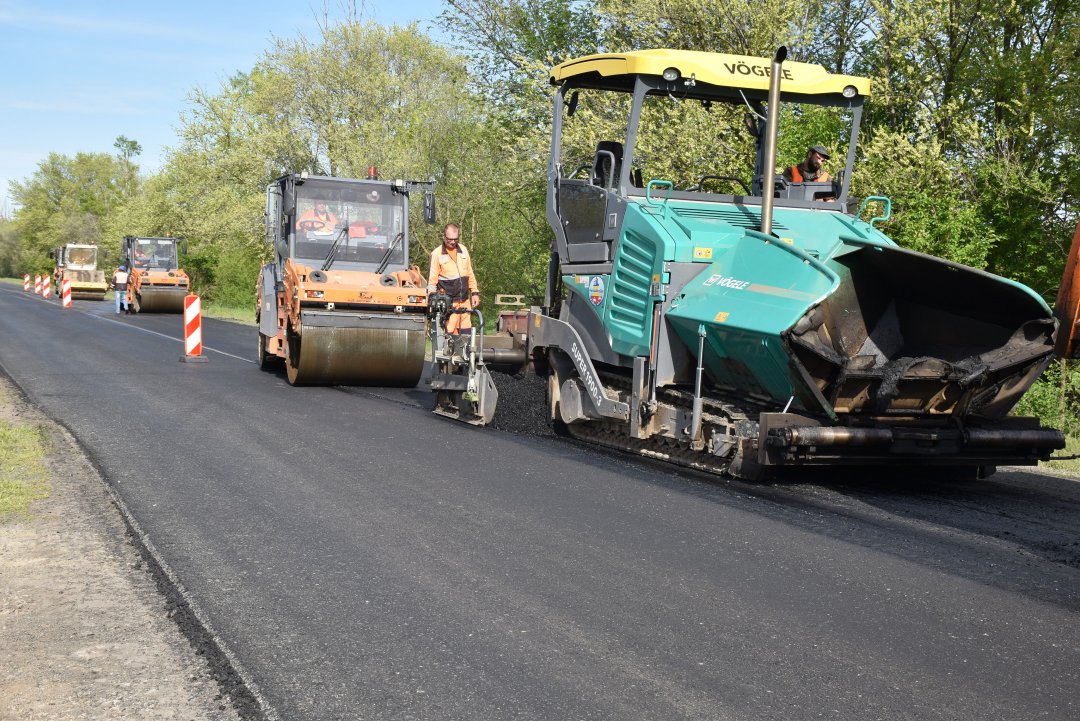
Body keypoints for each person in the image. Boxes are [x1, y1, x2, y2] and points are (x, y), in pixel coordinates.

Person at [427, 223, 480, 333]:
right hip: (448, 306)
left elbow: (469, 273)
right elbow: (432, 281)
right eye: (450, 239)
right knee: (449, 336)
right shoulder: (436, 254)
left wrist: (475, 293)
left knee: (466, 336)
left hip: (464, 302)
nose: (452, 242)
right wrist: (431, 303)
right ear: (444, 237)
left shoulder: (463, 250)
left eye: (455, 239)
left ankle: (466, 350)